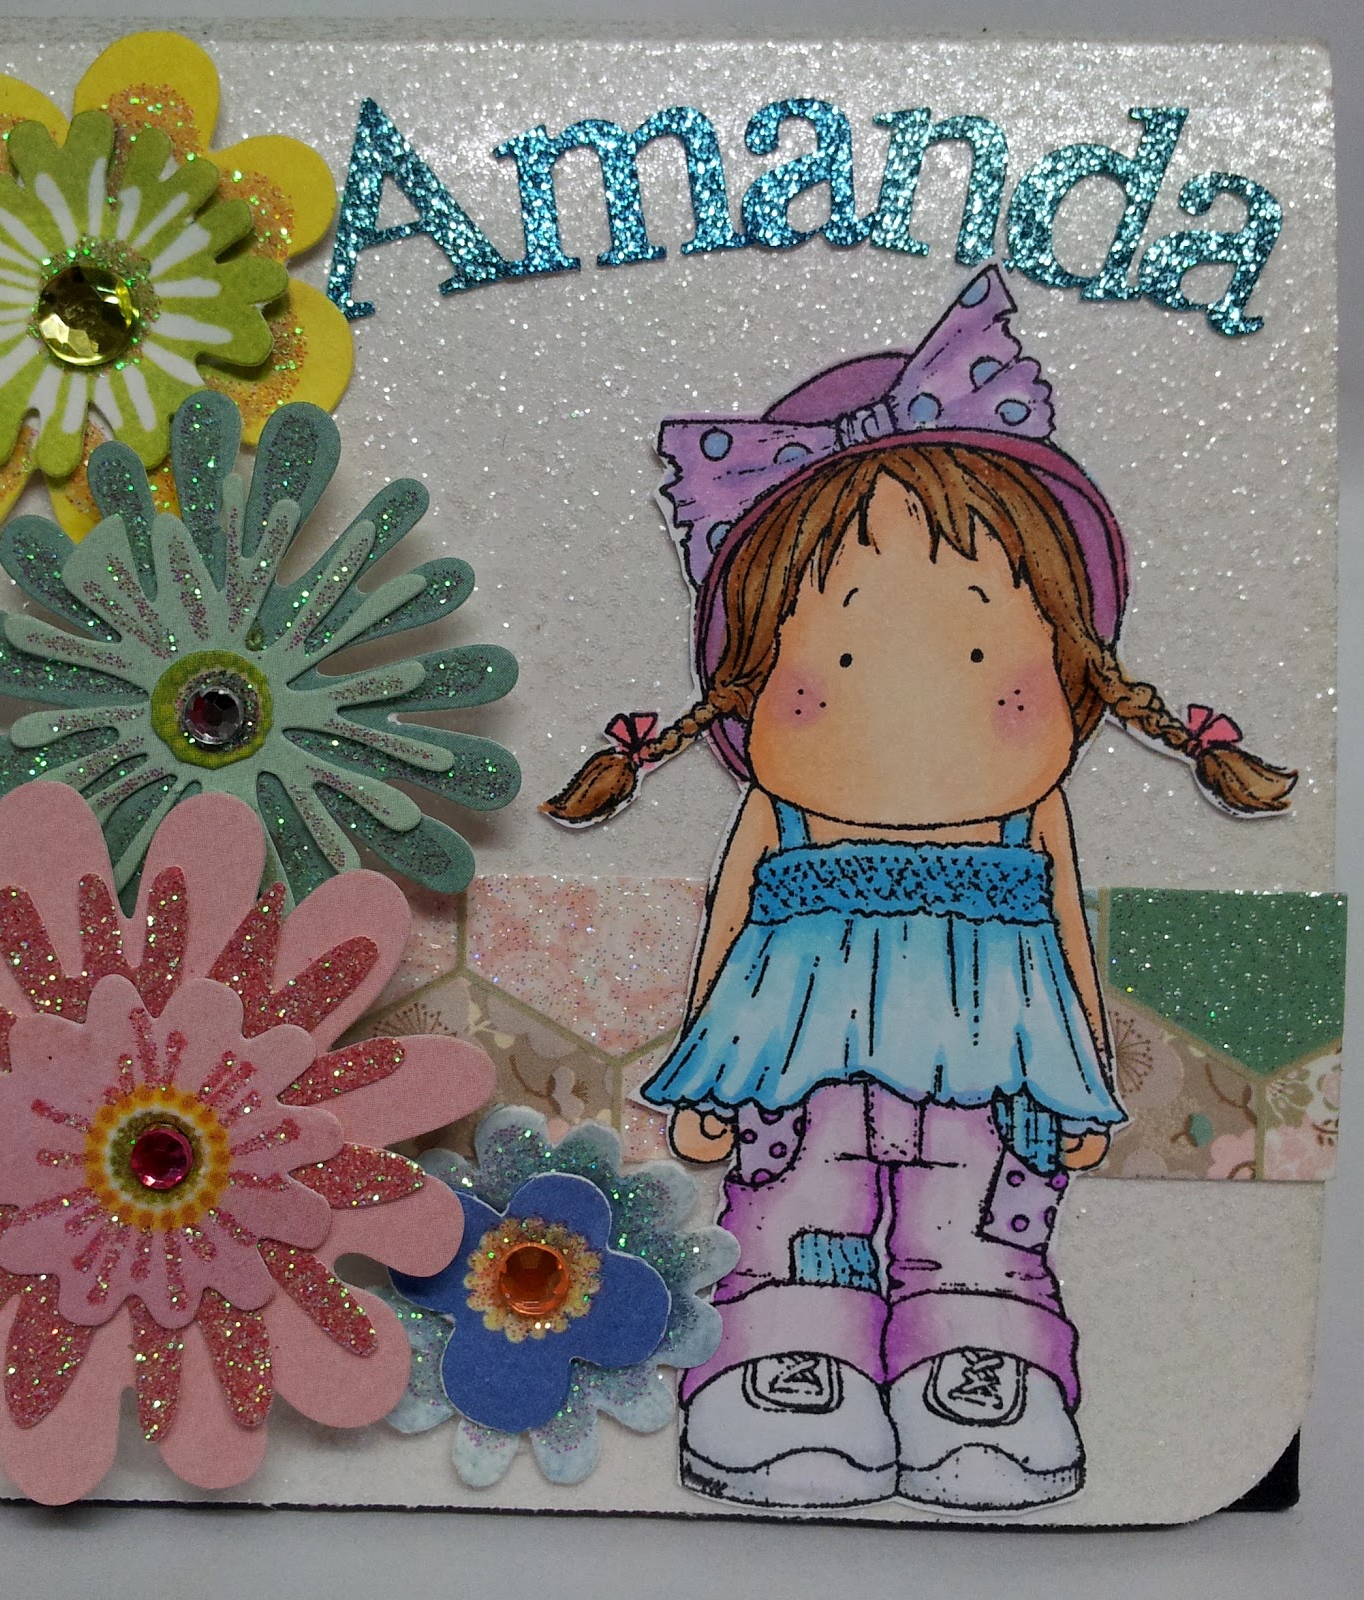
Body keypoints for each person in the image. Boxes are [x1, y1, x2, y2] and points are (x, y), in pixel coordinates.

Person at [543, 268, 1294, 1512]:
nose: (909, 700)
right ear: (751, 681)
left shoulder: (1025, 810)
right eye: (838, 657)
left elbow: (1063, 923)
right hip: (798, 1045)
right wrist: (705, 1083)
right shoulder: (779, 810)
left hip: (998, 1044)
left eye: (984, 653)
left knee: (979, 1203)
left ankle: (981, 1356)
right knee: (801, 1186)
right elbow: (727, 926)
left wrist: (1085, 1077)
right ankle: (788, 1350)